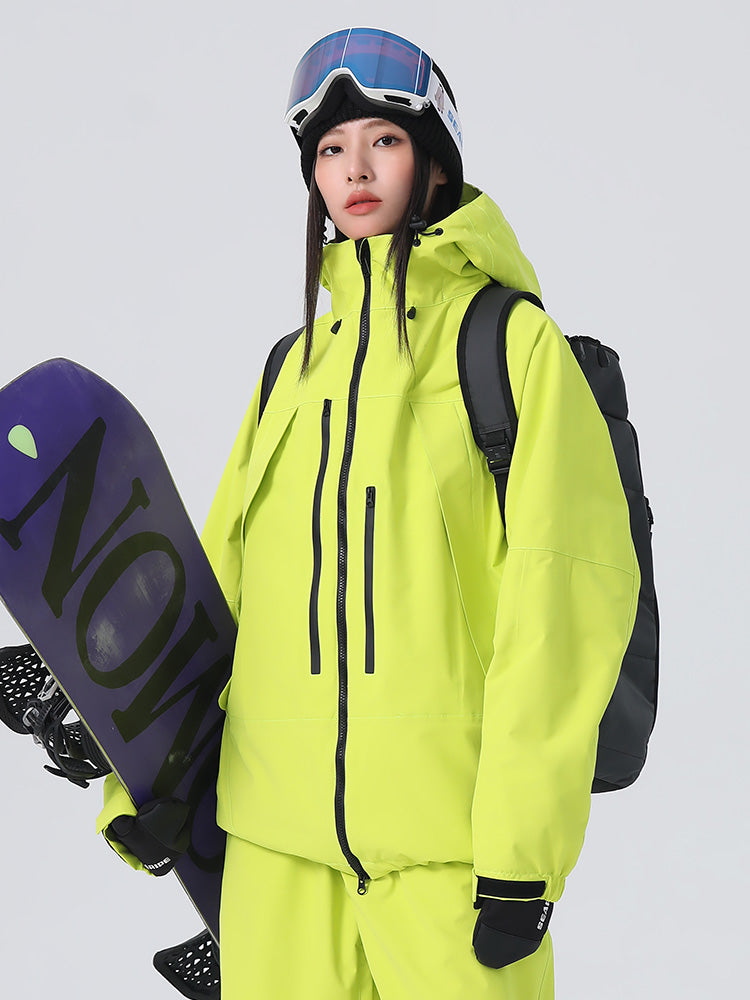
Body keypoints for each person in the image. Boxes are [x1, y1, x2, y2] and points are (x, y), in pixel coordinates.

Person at [97, 26, 640, 999]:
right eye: (331, 149)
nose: (353, 169)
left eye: (384, 140)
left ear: (436, 163)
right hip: (275, 858)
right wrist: (140, 778)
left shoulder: (509, 345)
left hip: (448, 858)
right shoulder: (292, 365)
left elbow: (563, 606)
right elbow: (218, 588)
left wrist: (522, 849)